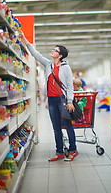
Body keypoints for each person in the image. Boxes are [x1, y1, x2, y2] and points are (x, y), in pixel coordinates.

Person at [20, 32, 78, 161]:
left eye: (55, 50)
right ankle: (60, 152)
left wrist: (69, 101)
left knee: (68, 125)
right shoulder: (48, 65)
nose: (52, 51)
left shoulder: (66, 68)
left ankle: (73, 150)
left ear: (60, 55)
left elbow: (69, 85)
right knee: (56, 127)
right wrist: (25, 40)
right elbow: (36, 55)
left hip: (62, 99)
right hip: (52, 100)